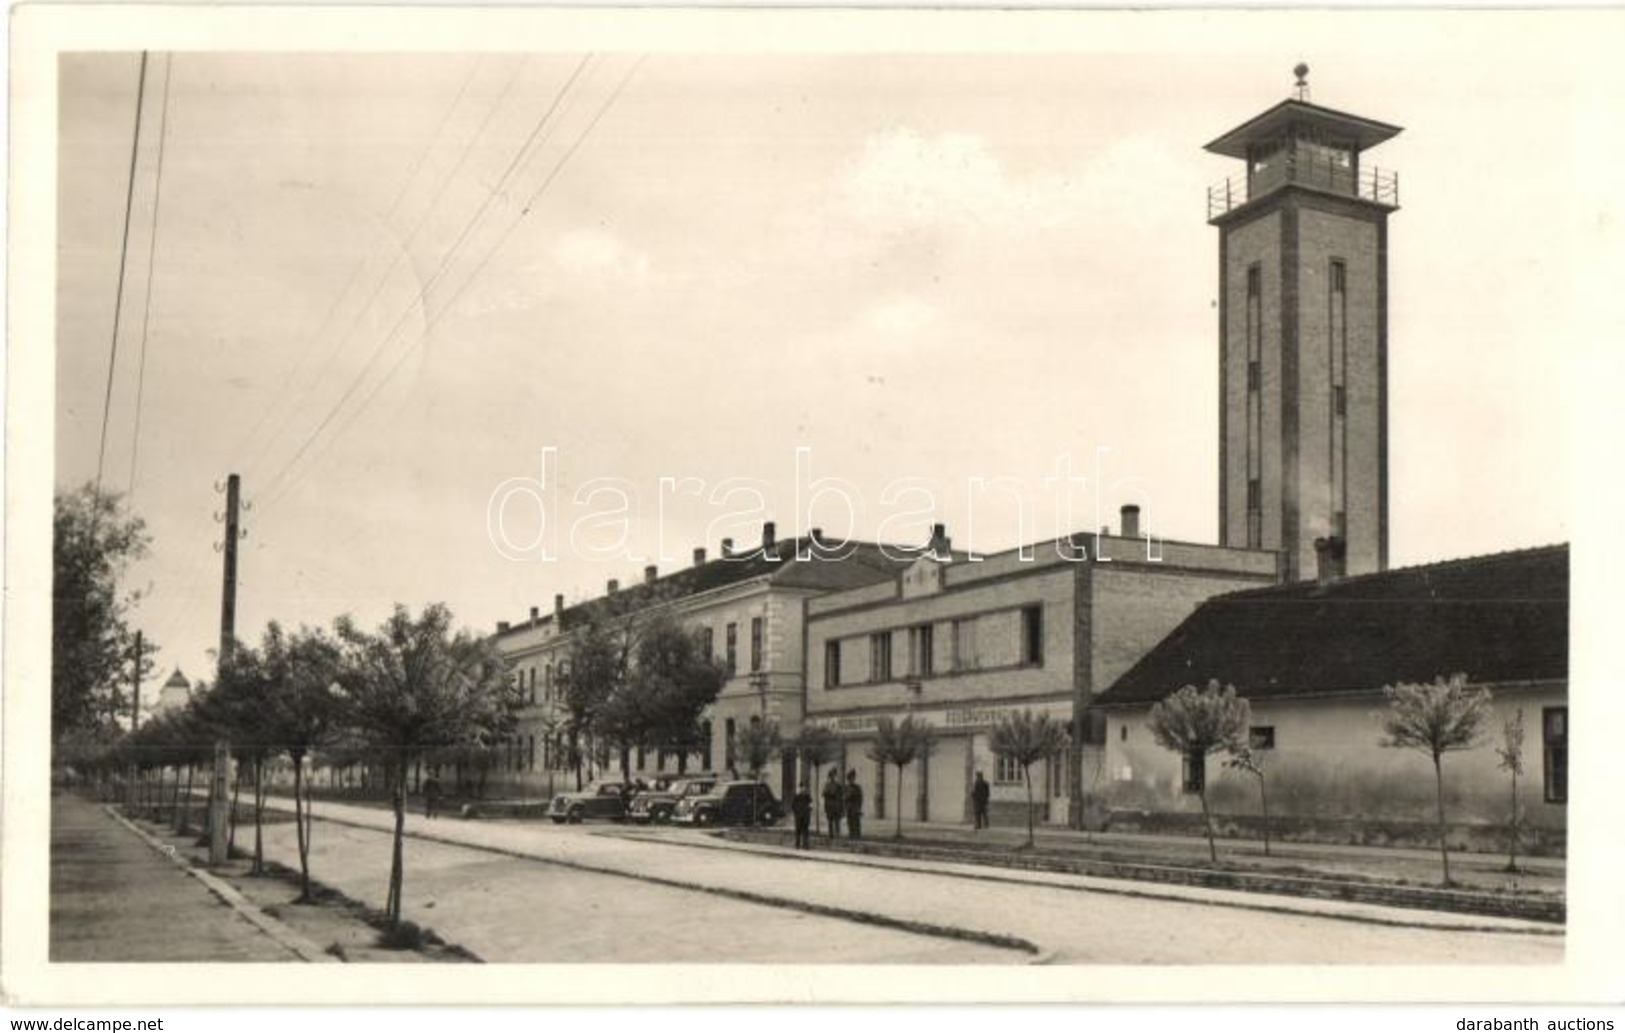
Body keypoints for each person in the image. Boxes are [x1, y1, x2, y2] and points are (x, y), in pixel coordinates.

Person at [822, 768, 844, 840]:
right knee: (830, 822)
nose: (832, 777)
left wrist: (841, 808)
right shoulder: (827, 785)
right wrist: (829, 794)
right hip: (829, 806)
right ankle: (831, 835)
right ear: (829, 776)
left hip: (836, 806)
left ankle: (837, 835)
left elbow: (841, 797)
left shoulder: (838, 786)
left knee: (837, 822)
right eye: (831, 776)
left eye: (834, 775)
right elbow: (823, 794)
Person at [791, 781, 813, 849]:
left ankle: (805, 844)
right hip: (798, 816)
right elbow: (793, 806)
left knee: (805, 831)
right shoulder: (797, 797)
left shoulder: (808, 797)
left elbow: (811, 806)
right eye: (801, 788)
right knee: (798, 830)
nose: (802, 789)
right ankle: (797, 844)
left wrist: (808, 811)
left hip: (805, 816)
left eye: (804, 788)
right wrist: (796, 813)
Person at [844, 769, 864, 840]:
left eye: (853, 778)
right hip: (849, 807)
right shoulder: (846, 788)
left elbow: (860, 798)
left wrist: (859, 807)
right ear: (848, 779)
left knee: (856, 822)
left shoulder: (857, 787)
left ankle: (857, 835)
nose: (851, 780)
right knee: (850, 822)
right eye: (850, 778)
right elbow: (843, 798)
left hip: (855, 807)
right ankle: (851, 835)